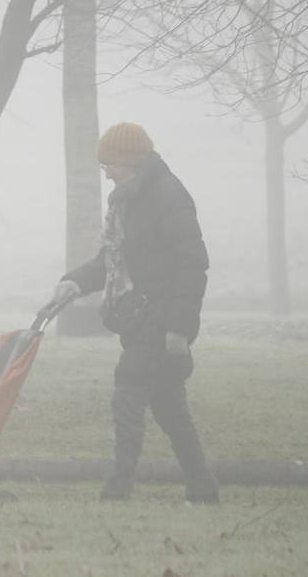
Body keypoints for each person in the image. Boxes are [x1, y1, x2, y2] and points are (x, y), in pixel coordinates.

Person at [49, 122, 219, 503]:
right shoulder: (126, 199)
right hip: (141, 317)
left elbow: (194, 265)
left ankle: (119, 485)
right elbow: (111, 259)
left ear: (130, 161)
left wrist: (179, 328)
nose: (105, 172)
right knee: (169, 406)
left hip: (161, 319)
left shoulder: (168, 196)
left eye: (108, 164)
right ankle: (203, 486)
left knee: (128, 386)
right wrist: (74, 282)